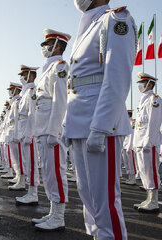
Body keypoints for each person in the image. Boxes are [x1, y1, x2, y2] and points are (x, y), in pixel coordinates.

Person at [62, 0, 136, 239]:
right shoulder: (88, 25)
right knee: (89, 199)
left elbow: (117, 79)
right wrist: (67, 124)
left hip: (99, 125)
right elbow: (75, 85)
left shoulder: (114, 20)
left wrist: (101, 127)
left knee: (104, 203)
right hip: (80, 124)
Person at [31, 29, 70, 231]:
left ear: (57, 46)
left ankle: (59, 216)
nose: (44, 48)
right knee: (47, 172)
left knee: (56, 171)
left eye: (47, 45)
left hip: (51, 128)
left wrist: (55, 130)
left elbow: (61, 100)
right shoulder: (47, 69)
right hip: (42, 127)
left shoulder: (60, 67)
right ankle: (53, 212)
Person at [133, 72, 162, 213]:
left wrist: (148, 142)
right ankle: (148, 198)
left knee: (151, 171)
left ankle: (154, 201)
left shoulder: (154, 99)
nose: (140, 85)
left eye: (143, 83)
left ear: (150, 84)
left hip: (148, 142)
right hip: (140, 141)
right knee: (144, 171)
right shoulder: (142, 100)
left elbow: (154, 123)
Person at [11, 65, 40, 202]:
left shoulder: (32, 91)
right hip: (23, 130)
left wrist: (30, 133)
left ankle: (33, 193)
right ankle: (29, 190)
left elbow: (32, 113)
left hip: (29, 131)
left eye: (24, 75)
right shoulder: (24, 93)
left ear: (31, 76)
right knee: (26, 162)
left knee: (32, 163)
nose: (21, 78)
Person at [121, 110, 137, 185]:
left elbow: (131, 135)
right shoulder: (125, 123)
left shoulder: (132, 123)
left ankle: (133, 178)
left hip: (129, 146)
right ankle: (129, 178)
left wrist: (130, 146)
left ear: (128, 115)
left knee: (131, 163)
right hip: (124, 145)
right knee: (126, 163)